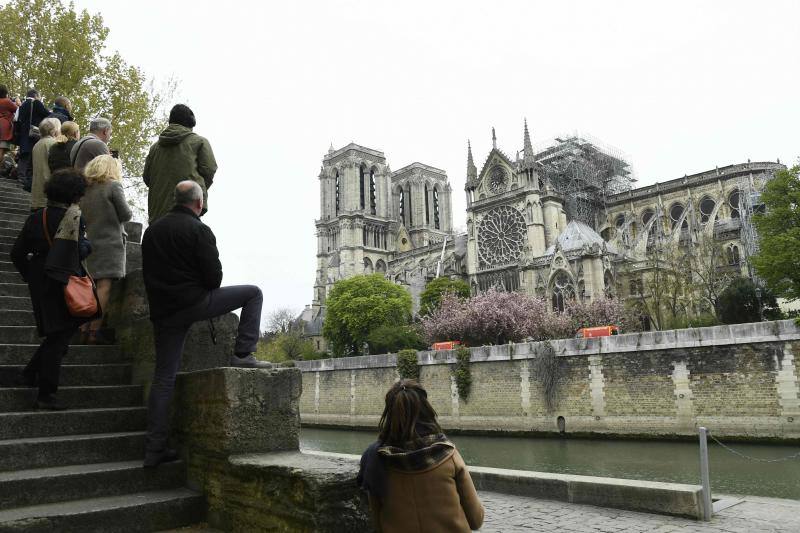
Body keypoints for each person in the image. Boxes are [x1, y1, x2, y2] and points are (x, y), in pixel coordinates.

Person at [141, 180, 269, 467]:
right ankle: (243, 354)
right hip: (194, 303)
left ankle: (154, 450)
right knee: (253, 293)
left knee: (163, 379)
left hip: (164, 312)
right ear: (199, 204)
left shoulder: (152, 231)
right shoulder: (199, 230)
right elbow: (214, 279)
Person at [10, 168, 95, 410]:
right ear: (74, 194)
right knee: (60, 338)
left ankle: (28, 375)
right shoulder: (73, 218)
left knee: (56, 334)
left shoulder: (37, 217)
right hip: (64, 279)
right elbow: (79, 251)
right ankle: (46, 394)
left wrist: (32, 276)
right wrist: (88, 245)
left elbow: (16, 253)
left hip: (40, 277)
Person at [357, 379, 484, 533]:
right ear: (426, 409)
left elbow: (377, 523)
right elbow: (476, 520)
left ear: (390, 414)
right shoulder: (448, 455)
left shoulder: (376, 459)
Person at [80, 155, 132, 343]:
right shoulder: (113, 186)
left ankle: (83, 327)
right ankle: (95, 330)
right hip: (110, 243)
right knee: (104, 287)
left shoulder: (85, 190)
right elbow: (125, 214)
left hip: (90, 242)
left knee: (90, 286)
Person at [143, 104, 217, 223]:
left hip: (158, 213)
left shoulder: (154, 148)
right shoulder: (200, 142)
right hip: (188, 209)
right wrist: (194, 190)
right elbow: (209, 169)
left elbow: (147, 178)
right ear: (191, 123)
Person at [15, 89, 50, 189]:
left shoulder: (22, 105)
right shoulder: (37, 103)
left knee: (24, 155)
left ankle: (21, 177)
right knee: (32, 157)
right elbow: (47, 114)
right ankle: (28, 179)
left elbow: (16, 119)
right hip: (34, 134)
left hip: (23, 134)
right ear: (36, 95)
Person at [30, 118, 61, 211]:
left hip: (37, 192)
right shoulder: (54, 144)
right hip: (48, 190)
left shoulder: (37, 144)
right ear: (53, 130)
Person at [0, 85, 20, 162]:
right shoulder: (6, 101)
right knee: (1, 150)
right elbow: (18, 110)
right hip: (3, 128)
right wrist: (18, 103)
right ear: (5, 93)